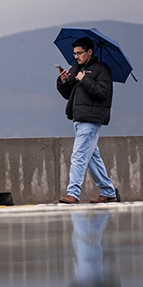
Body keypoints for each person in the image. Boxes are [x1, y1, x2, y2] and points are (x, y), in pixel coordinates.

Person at [56, 37, 118, 204]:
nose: (76, 56)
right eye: (75, 53)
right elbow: (68, 94)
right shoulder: (76, 69)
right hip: (78, 118)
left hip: (91, 119)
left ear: (89, 52)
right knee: (91, 157)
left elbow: (103, 93)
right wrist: (63, 81)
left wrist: (85, 79)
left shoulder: (102, 70)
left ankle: (73, 193)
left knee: (78, 155)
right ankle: (108, 191)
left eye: (80, 53)